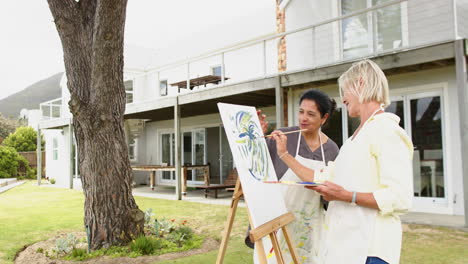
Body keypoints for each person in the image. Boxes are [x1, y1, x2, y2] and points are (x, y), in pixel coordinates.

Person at [272, 59, 413, 264]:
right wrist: (285, 155)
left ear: (361, 84)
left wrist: (347, 196)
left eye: (345, 90)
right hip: (346, 249)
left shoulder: (387, 131)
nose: (343, 97)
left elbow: (399, 198)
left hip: (370, 251)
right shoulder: (355, 138)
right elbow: (320, 179)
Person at [249, 89, 340, 264]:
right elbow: (256, 166)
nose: (303, 118)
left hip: (310, 225)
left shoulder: (332, 150)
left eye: (311, 114)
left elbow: (331, 196)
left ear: (324, 118)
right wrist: (257, 139)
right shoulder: (282, 137)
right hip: (277, 221)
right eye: (301, 112)